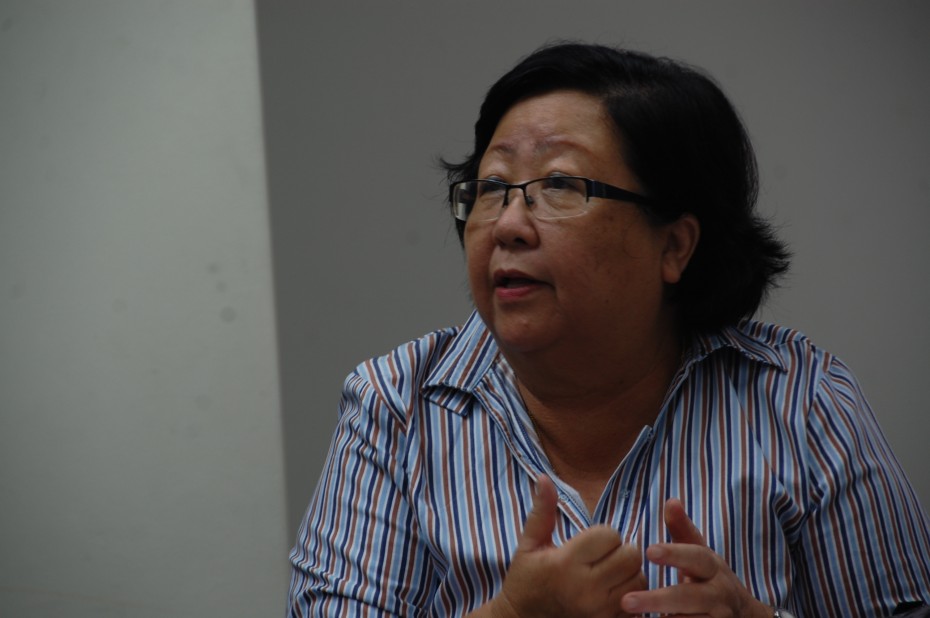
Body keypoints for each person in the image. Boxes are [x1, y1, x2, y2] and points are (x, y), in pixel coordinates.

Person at [287, 42, 930, 617]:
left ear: (674, 246)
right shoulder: (397, 406)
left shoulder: (800, 400)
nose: (508, 225)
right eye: (491, 187)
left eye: (559, 184)